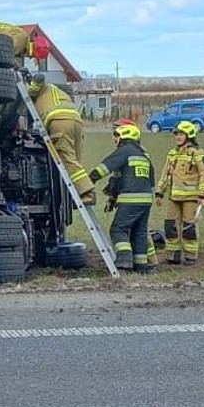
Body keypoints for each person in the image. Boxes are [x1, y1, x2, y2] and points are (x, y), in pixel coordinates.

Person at [85, 120, 157, 272]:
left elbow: (105, 167)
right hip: (146, 200)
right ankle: (141, 266)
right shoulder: (144, 155)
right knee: (139, 232)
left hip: (130, 199)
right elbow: (147, 180)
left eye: (116, 136)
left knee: (118, 229)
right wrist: (112, 198)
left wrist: (88, 180)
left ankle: (124, 261)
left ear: (124, 136)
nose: (115, 139)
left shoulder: (125, 151)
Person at [153, 119, 204, 265]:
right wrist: (160, 192)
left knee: (189, 228)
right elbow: (165, 174)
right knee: (170, 226)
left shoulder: (197, 153)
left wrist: (203, 195)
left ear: (189, 135)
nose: (178, 137)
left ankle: (190, 255)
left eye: (181, 134)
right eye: (176, 134)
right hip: (174, 197)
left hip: (191, 198)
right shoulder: (172, 154)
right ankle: (173, 255)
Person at [26, 74, 91, 203]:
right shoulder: (55, 91)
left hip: (59, 121)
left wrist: (28, 89)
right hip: (75, 120)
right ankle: (76, 193)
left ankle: (87, 192)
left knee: (66, 159)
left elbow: (38, 79)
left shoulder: (36, 90)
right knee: (75, 159)